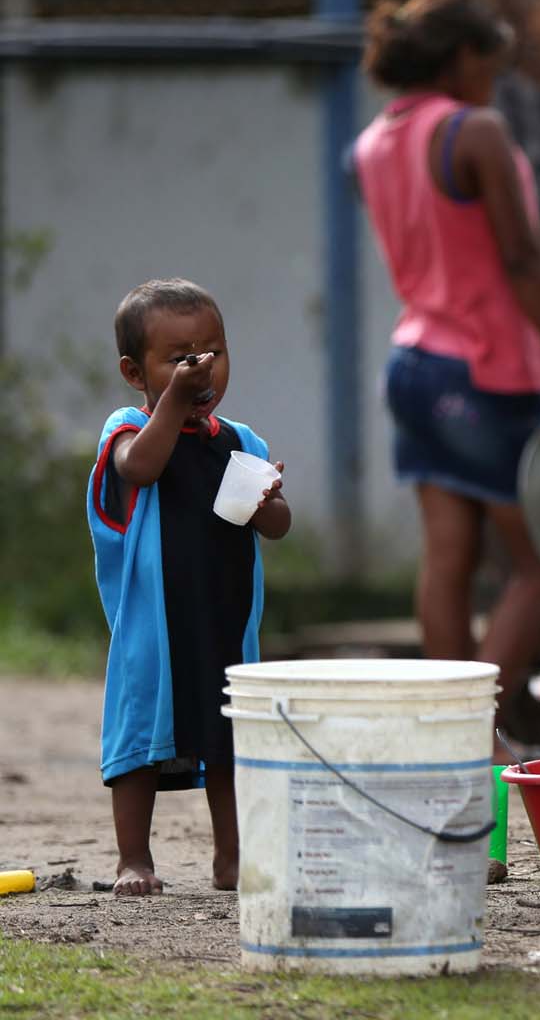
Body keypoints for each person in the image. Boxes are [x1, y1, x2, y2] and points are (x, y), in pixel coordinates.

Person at [353, 0, 540, 738]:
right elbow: (520, 256)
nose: (495, 79)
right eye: (492, 62)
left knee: (448, 559)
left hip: (413, 363)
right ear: (462, 58)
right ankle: (471, 725)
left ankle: (445, 734)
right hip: (486, 369)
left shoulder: (372, 143)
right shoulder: (473, 131)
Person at [87, 279, 291, 896]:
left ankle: (231, 859)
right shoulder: (129, 428)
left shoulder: (240, 441)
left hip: (227, 621)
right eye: (178, 358)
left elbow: (277, 526)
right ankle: (134, 859)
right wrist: (173, 404)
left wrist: (265, 499)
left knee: (231, 742)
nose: (199, 368)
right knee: (139, 743)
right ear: (133, 371)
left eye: (212, 352)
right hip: (153, 625)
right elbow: (140, 468)